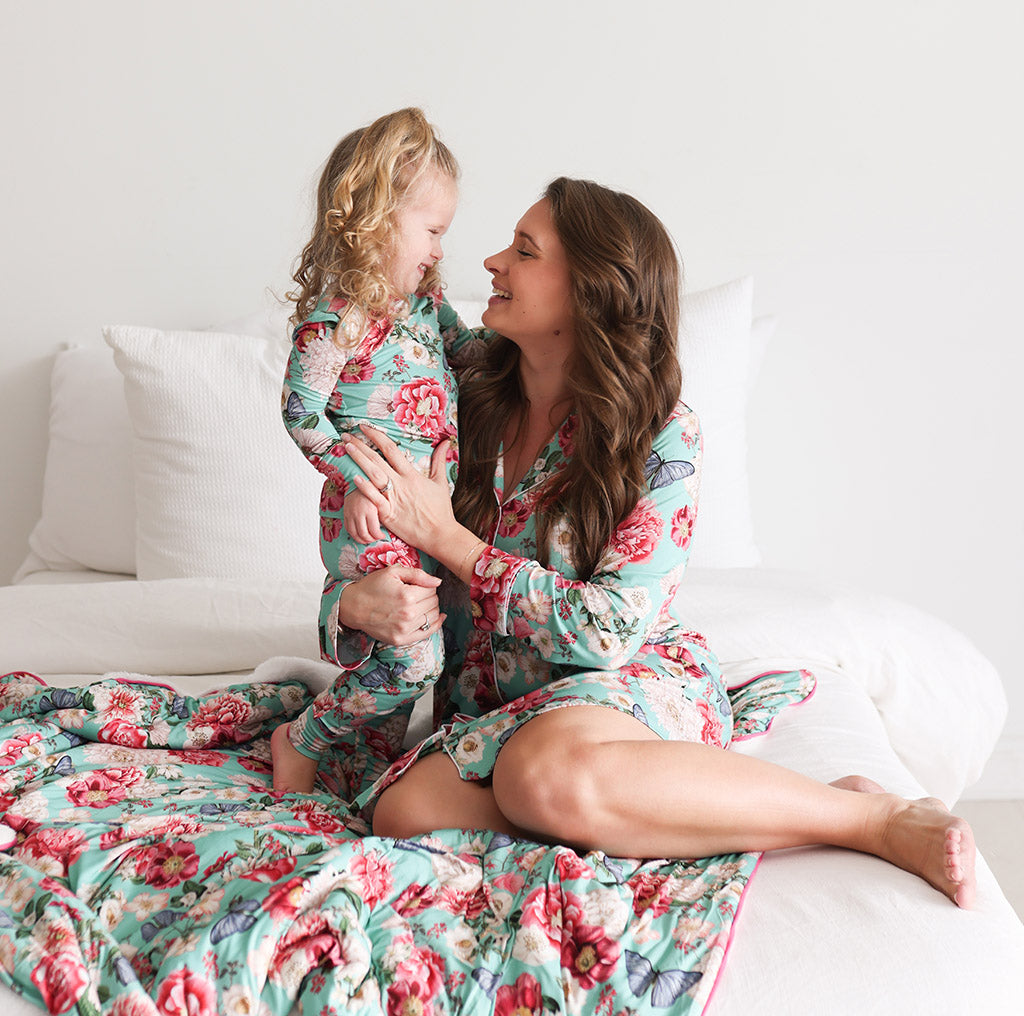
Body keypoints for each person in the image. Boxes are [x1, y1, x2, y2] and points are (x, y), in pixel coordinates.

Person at [331, 177, 976, 909]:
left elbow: (608, 629)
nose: (491, 262)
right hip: (494, 707)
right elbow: (383, 312)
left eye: (524, 251)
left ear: (590, 291)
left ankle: (867, 814)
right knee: (403, 812)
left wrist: (450, 542)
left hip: (625, 683)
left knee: (538, 775)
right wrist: (355, 601)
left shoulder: (661, 434)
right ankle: (638, 807)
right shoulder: (458, 383)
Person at [273, 108, 474, 793]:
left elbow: (472, 355)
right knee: (413, 656)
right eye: (434, 231)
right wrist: (356, 477)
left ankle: (359, 762)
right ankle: (301, 740)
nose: (440, 249)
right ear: (378, 218)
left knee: (420, 653)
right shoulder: (338, 320)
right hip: (369, 511)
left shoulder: (427, 307)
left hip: (426, 512)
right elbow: (302, 412)